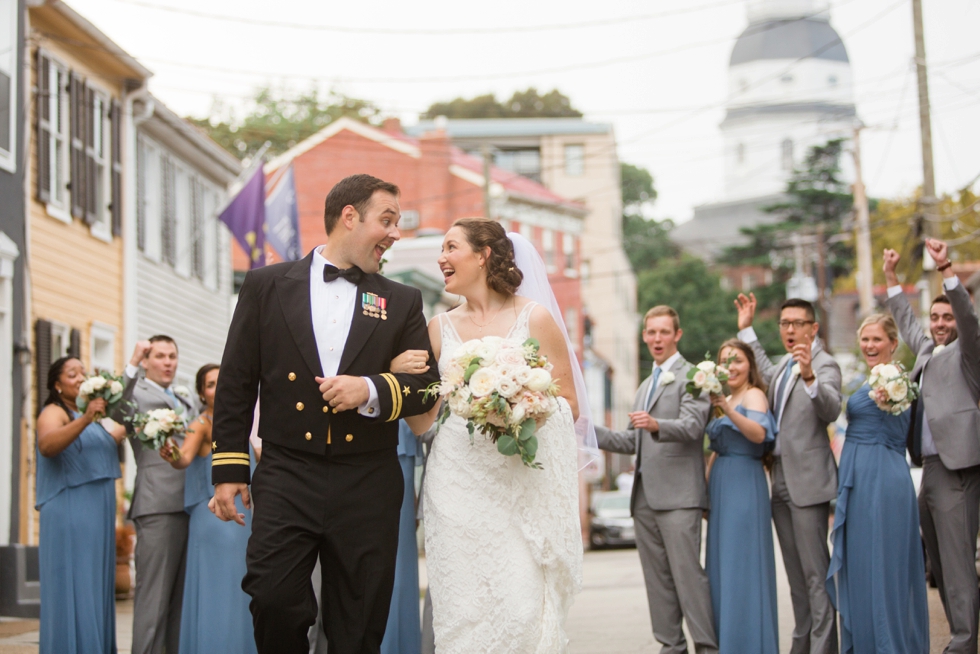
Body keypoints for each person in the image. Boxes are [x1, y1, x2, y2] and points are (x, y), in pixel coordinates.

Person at [209, 174, 440, 654]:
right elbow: (235, 382)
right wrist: (230, 469)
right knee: (273, 598)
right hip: (288, 471)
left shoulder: (401, 300)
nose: (396, 233)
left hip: (368, 478)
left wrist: (370, 388)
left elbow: (426, 388)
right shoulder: (265, 285)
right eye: (387, 219)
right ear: (349, 217)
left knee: (358, 620)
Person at [402, 219, 584, 653]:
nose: (441, 258)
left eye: (450, 248)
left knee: (520, 602)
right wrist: (399, 378)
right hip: (456, 481)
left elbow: (569, 402)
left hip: (517, 483)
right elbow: (422, 423)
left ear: (483, 255)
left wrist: (521, 405)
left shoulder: (533, 318)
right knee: (462, 605)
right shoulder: (437, 327)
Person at [593, 305, 718, 654]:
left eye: (664, 332)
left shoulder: (694, 376)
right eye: (651, 332)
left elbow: (694, 428)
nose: (657, 338)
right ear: (644, 336)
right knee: (658, 581)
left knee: (688, 578)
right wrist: (588, 431)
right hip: (644, 498)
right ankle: (671, 645)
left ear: (677, 335)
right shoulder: (646, 385)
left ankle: (708, 647)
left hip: (680, 497)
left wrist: (656, 424)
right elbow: (633, 441)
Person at [884, 238, 980, 654]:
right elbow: (906, 321)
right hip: (930, 468)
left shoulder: (969, 352)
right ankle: (964, 630)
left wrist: (946, 271)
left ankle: (964, 641)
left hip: (959, 465)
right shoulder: (927, 352)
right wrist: (891, 278)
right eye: (935, 317)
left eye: (946, 317)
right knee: (939, 563)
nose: (941, 323)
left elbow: (969, 318)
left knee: (958, 562)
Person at [734, 295, 841, 654]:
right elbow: (762, 367)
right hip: (777, 479)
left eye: (798, 323)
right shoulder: (782, 367)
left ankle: (823, 648)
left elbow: (830, 408)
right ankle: (803, 644)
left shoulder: (825, 365)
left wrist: (810, 375)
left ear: (814, 328)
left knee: (815, 576)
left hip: (808, 483)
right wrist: (746, 329)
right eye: (784, 324)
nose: (791, 330)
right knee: (796, 579)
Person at [825, 313, 929, 652]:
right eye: (865, 339)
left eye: (877, 339)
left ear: (893, 344)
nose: (870, 345)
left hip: (881, 478)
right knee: (861, 564)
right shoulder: (868, 378)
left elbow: (901, 418)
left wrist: (890, 397)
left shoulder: (897, 379)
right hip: (858, 476)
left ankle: (889, 645)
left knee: (883, 566)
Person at [159, 364, 257, 654]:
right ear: (202, 392)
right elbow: (183, 459)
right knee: (219, 590)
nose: (218, 388)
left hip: (246, 520)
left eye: (222, 381)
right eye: (211, 384)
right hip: (215, 519)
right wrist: (171, 453)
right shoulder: (200, 423)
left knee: (244, 588)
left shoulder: (243, 422)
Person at [35, 357, 127, 653]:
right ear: (57, 384)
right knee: (75, 584)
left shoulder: (86, 415)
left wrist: (134, 424)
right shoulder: (54, 412)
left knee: (93, 585)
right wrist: (86, 418)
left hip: (96, 513)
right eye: (71, 374)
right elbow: (47, 446)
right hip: (70, 510)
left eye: (82, 373)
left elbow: (100, 445)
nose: (79, 378)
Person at [120, 335, 196, 654]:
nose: (168, 362)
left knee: (179, 599)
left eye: (172, 356)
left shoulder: (183, 395)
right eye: (160, 356)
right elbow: (115, 409)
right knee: (153, 597)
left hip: (191, 503)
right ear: (148, 361)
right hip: (157, 504)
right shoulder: (137, 392)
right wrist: (132, 363)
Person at [705, 339, 779, 654]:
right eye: (725, 361)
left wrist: (727, 408)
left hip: (745, 485)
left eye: (737, 360)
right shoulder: (724, 398)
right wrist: (706, 491)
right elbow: (716, 449)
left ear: (749, 364)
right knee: (721, 570)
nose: (731, 367)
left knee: (742, 567)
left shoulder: (753, 395)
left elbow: (759, 435)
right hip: (721, 488)